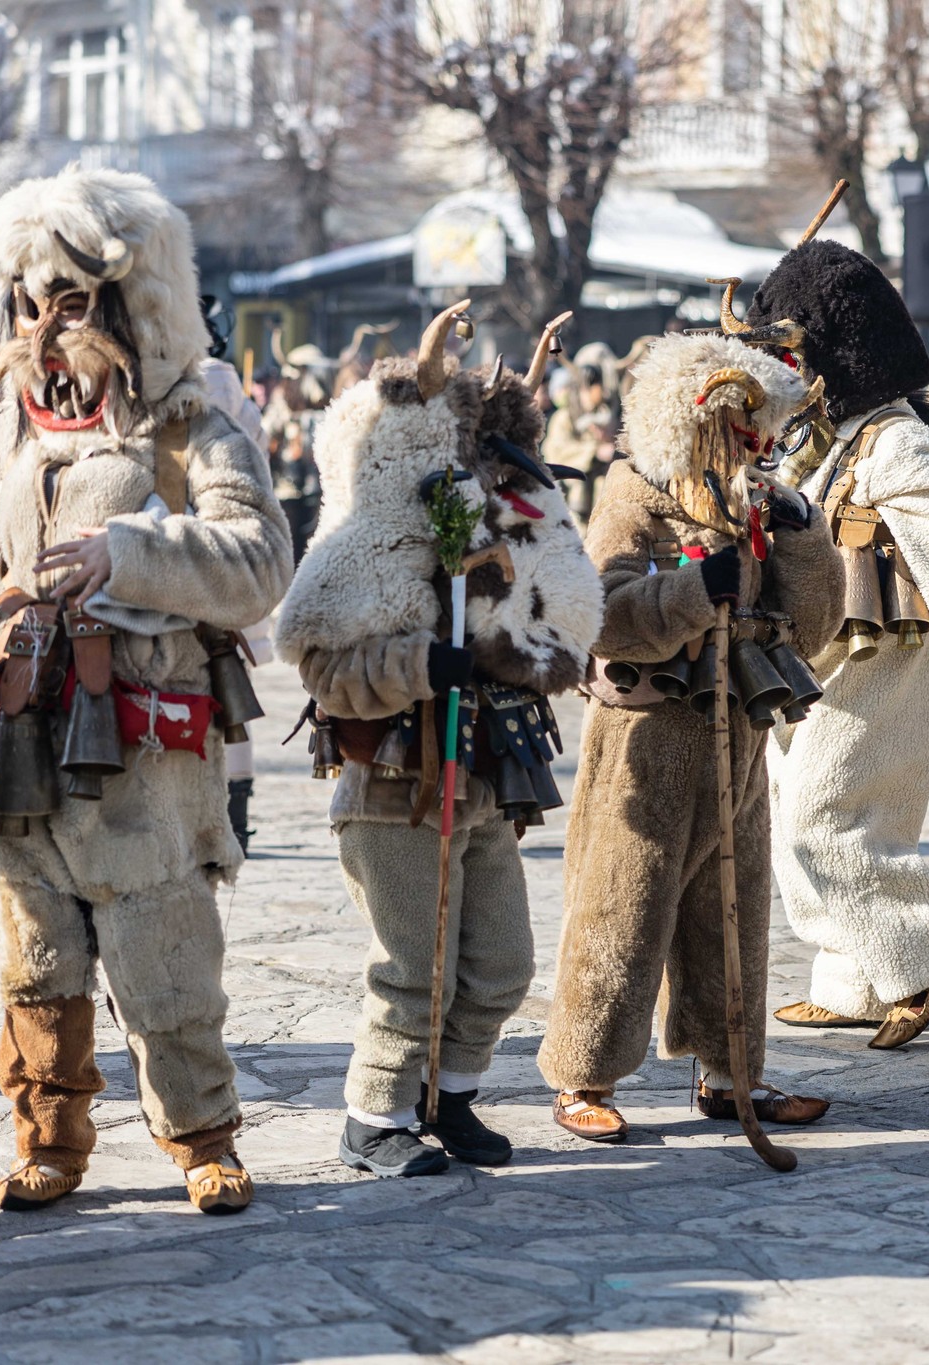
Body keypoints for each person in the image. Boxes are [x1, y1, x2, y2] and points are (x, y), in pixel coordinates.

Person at [0, 167, 295, 1213]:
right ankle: (48, 1141)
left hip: (143, 745)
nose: (43, 324)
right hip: (17, 728)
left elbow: (258, 560)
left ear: (128, 301)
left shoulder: (187, 419)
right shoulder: (3, 433)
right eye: (26, 301)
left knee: (163, 949)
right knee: (27, 950)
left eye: (68, 300)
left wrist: (126, 553)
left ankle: (204, 1137)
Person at [277, 310, 601, 1174]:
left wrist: (520, 647)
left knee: (500, 961)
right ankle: (373, 1115)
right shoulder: (371, 536)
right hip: (393, 786)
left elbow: (548, 607)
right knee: (414, 968)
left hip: (484, 778)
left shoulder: (503, 523)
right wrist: (425, 663)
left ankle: (448, 1096)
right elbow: (325, 668)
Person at [538, 329, 840, 1141]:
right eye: (751, 430)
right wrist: (687, 591)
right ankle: (582, 1072)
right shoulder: (634, 493)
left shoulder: (757, 503)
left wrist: (804, 530)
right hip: (650, 741)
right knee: (621, 906)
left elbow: (811, 626)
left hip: (736, 727)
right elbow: (606, 614)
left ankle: (730, 1072)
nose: (765, 446)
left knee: (729, 910)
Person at [759, 239, 929, 1046]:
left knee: (826, 817)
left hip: (887, 658)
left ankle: (921, 954)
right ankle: (852, 978)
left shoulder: (901, 441)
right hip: (821, 659)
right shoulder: (833, 440)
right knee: (802, 817)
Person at [544, 362, 619, 523]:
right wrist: (594, 452)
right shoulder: (563, 418)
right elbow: (557, 453)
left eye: (595, 386)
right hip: (574, 499)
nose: (591, 393)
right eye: (587, 387)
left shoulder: (606, 415)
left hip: (605, 496)